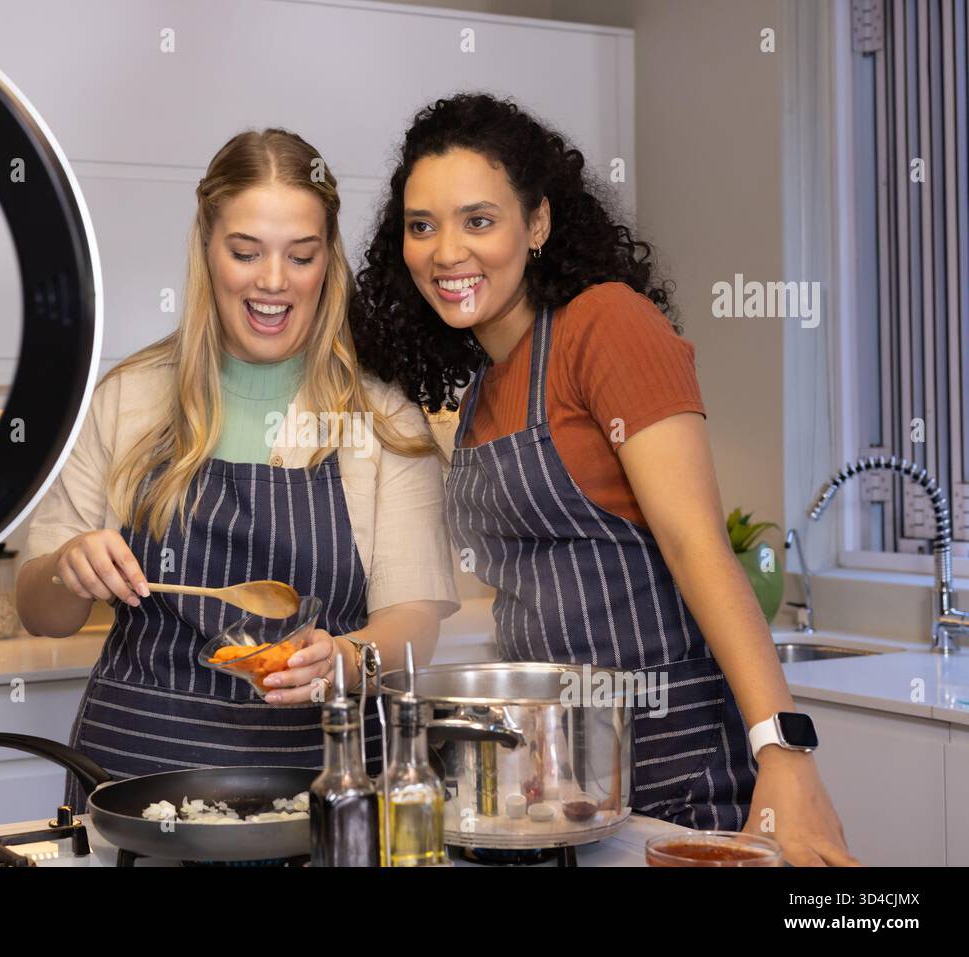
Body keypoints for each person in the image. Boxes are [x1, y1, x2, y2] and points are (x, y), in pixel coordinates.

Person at [350, 93, 857, 866]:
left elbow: (697, 547)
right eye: (423, 226)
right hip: (547, 776)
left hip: (670, 757)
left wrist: (784, 751)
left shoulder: (607, 326)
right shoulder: (482, 393)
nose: (445, 250)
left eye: (478, 220)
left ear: (539, 224)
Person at [16, 128, 458, 812]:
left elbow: (412, 629)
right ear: (207, 250)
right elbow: (40, 612)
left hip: (321, 793)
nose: (273, 281)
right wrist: (67, 564)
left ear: (328, 262)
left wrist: (340, 659)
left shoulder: (384, 419)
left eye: (301, 255)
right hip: (135, 792)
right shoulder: (129, 397)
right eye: (245, 251)